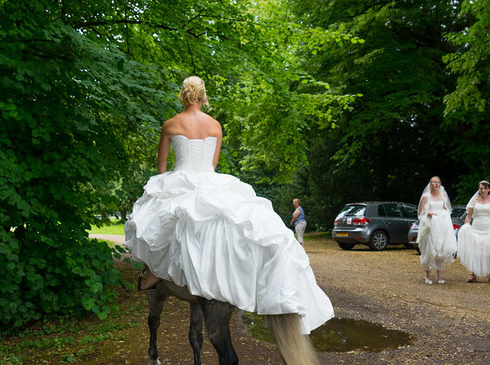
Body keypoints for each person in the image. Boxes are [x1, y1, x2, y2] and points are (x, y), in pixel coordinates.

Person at [124, 76, 333, 334]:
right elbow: (211, 166)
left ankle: (154, 273)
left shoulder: (170, 124)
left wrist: (167, 182)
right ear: (203, 98)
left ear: (183, 95)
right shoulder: (215, 126)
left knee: (151, 215)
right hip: (209, 179)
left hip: (180, 175)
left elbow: (162, 165)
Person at [457, 180, 490, 283]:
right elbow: (469, 216)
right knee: (475, 249)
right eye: (481, 188)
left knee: (488, 250)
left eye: (484, 188)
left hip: (489, 227)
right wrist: (466, 225)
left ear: (489, 189)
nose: (482, 190)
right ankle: (473, 273)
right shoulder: (474, 201)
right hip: (477, 227)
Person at [416, 176, 457, 284]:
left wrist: (443, 216)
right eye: (434, 182)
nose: (436, 184)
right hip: (429, 224)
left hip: (440, 224)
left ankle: (439, 275)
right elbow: (420, 212)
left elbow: (446, 209)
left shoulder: (443, 195)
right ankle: (427, 275)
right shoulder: (426, 196)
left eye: (437, 182)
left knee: (440, 249)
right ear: (430, 184)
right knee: (430, 248)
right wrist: (428, 214)